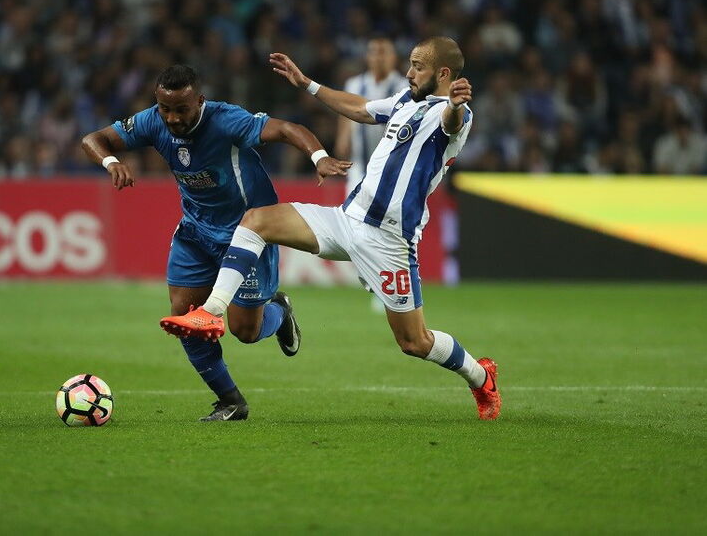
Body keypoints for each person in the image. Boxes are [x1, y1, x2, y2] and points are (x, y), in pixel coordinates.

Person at [161, 38, 502, 420]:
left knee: (414, 341)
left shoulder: (456, 115)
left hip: (389, 240)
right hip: (346, 219)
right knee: (256, 220)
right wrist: (307, 84)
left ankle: (481, 376)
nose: (408, 73)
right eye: (410, 63)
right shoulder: (407, 101)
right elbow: (358, 108)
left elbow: (450, 122)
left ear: (443, 73)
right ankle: (211, 311)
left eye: (418, 66)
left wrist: (454, 104)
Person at [82, 64, 351, 421]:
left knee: (245, 331)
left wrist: (319, 157)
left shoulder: (226, 120)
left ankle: (279, 310)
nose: (172, 118)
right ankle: (230, 401)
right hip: (195, 233)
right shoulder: (151, 121)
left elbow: (288, 129)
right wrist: (111, 162)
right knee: (183, 317)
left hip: (248, 234)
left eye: (181, 109)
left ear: (200, 101)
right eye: (165, 109)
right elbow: (93, 140)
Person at [335, 36, 409, 195]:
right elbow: (346, 113)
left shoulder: (404, 86)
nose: (379, 58)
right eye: (374, 52)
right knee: (353, 207)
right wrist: (343, 138)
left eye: (383, 52)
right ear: (367, 57)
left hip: (393, 166)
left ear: (393, 57)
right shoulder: (354, 84)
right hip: (359, 164)